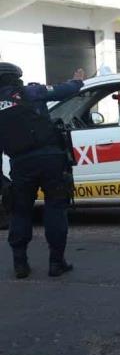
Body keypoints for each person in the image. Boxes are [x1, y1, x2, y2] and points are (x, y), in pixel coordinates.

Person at [0, 62, 85, 278]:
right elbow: (66, 90)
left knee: (20, 212)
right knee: (56, 208)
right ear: (16, 78)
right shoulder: (31, 92)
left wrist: (2, 182)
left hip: (20, 165)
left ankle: (20, 265)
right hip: (51, 161)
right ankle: (56, 263)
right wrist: (77, 80)